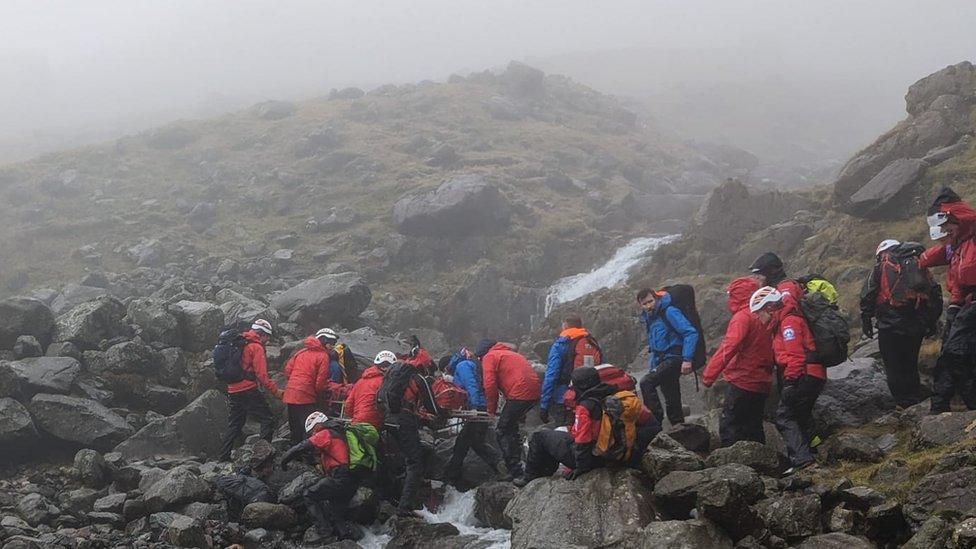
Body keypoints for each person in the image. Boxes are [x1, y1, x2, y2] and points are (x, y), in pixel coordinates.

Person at [516, 366, 658, 487]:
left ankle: (530, 477)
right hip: (621, 455)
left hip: (594, 459)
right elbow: (651, 425)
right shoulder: (617, 396)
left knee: (540, 436)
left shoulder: (586, 406)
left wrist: (581, 467)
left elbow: (582, 440)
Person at [860, 239, 942, 408]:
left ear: (881, 253)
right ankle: (914, 399)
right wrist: (931, 321)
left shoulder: (881, 265)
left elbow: (867, 294)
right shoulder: (918, 263)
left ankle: (902, 403)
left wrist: (866, 320)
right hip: (916, 324)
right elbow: (935, 293)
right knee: (910, 363)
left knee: (893, 365)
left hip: (890, 325)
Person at [920, 188, 976, 413]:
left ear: (956, 218)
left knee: (955, 353)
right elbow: (957, 275)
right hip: (966, 304)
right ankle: (945, 407)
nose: (944, 231)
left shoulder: (969, 239)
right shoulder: (960, 244)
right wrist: (955, 304)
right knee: (952, 355)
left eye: (945, 226)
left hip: (970, 306)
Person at [702, 278, 776, 446]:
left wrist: (709, 375)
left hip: (743, 379)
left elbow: (729, 346)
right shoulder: (766, 315)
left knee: (731, 424)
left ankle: (732, 465)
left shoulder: (743, 317)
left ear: (736, 296)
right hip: (763, 380)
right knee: (754, 425)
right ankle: (763, 463)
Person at [280, 412, 367, 540]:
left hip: (340, 477)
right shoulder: (340, 431)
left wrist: (284, 460)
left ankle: (324, 531)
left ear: (317, 425)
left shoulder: (325, 433)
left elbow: (301, 447)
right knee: (335, 509)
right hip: (352, 478)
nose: (312, 435)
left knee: (309, 495)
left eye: (312, 432)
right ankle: (344, 537)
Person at [772, 291, 827, 473]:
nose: (757, 316)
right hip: (813, 373)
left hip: (806, 374)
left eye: (759, 312)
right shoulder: (787, 318)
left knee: (785, 415)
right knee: (801, 414)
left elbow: (796, 356)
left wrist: (789, 381)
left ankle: (803, 460)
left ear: (769, 307)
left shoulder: (788, 322)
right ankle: (817, 450)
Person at [381, 359, 441, 516]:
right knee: (415, 463)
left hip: (388, 421)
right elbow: (433, 407)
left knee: (409, 456)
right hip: (404, 423)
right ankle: (404, 507)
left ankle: (403, 498)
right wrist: (439, 416)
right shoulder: (418, 378)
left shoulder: (391, 376)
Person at [477, 339, 541, 479]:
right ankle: (522, 464)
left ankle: (515, 470)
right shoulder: (510, 353)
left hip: (519, 393)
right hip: (533, 391)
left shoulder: (489, 357)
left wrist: (491, 410)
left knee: (502, 430)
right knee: (511, 427)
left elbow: (490, 384)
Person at [219, 319, 282, 461]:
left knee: (235, 424)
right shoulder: (256, 347)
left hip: (233, 389)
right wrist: (276, 392)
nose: (268, 340)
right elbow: (262, 376)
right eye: (268, 337)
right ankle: (263, 456)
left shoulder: (239, 343)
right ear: (263, 335)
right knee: (267, 418)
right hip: (248, 390)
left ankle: (223, 457)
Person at [636, 288, 699, 427]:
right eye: (644, 304)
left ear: (656, 298)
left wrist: (687, 359)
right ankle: (679, 428)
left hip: (675, 357)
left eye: (650, 301)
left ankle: (654, 424)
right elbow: (655, 348)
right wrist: (654, 366)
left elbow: (690, 333)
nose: (648, 306)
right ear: (640, 305)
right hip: (663, 360)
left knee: (646, 382)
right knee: (671, 396)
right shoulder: (650, 319)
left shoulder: (669, 312)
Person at [444, 347, 507, 484]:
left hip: (478, 407)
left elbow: (471, 385)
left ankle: (451, 476)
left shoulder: (462, 366)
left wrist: (473, 407)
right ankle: (501, 468)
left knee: (466, 441)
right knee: (473, 442)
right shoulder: (468, 364)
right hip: (480, 405)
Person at [541, 314, 602, 426]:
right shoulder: (591, 342)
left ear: (565, 326)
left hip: (565, 398)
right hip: (591, 396)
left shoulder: (561, 344)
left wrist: (544, 405)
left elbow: (551, 375)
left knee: (564, 430)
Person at [282, 329, 335, 445]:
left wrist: (295, 384)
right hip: (305, 396)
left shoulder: (301, 352)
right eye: (331, 343)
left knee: (294, 425)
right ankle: (308, 453)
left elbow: (287, 371)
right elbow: (320, 382)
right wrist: (320, 395)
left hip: (290, 394)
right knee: (308, 426)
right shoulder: (323, 356)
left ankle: (294, 451)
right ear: (323, 342)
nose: (332, 347)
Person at [342, 351, 393, 430]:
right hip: (374, 424)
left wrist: (356, 416)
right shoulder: (386, 382)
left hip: (357, 422)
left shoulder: (360, 381)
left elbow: (349, 404)